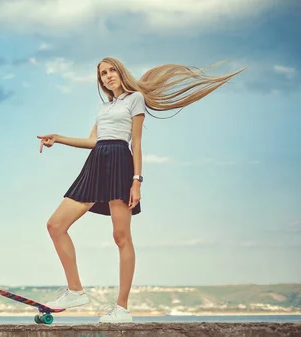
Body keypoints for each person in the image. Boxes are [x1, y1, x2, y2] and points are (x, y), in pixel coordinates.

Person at [36, 57, 244, 323]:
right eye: (103, 73)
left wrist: (137, 180)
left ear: (121, 73)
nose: (108, 76)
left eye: (111, 71)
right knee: (55, 225)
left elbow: (136, 141)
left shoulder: (135, 99)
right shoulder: (103, 107)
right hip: (97, 162)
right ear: (100, 80)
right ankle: (75, 290)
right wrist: (59, 138)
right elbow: (93, 141)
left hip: (121, 163)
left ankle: (121, 308)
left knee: (121, 238)